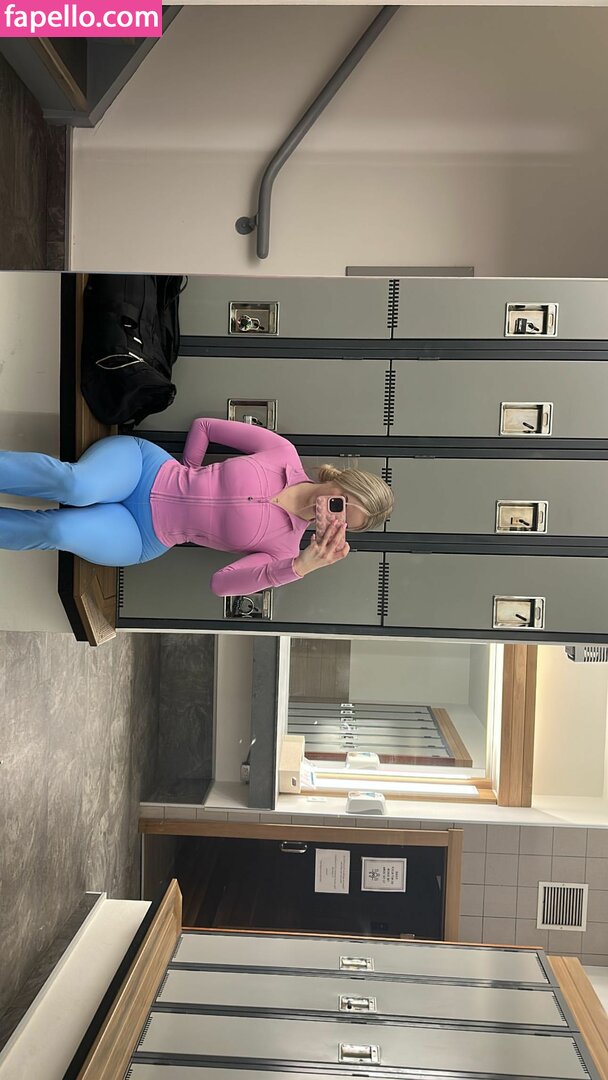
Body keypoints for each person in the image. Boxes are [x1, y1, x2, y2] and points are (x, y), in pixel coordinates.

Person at [0, 418, 394, 596]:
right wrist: (188, 470)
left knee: (58, 531)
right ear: (342, 481)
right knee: (76, 484)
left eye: (345, 521)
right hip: (144, 470)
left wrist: (300, 567)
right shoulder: (282, 453)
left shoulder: (284, 550)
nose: (335, 513)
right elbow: (205, 426)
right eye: (344, 502)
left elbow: (220, 584)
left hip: (143, 535)